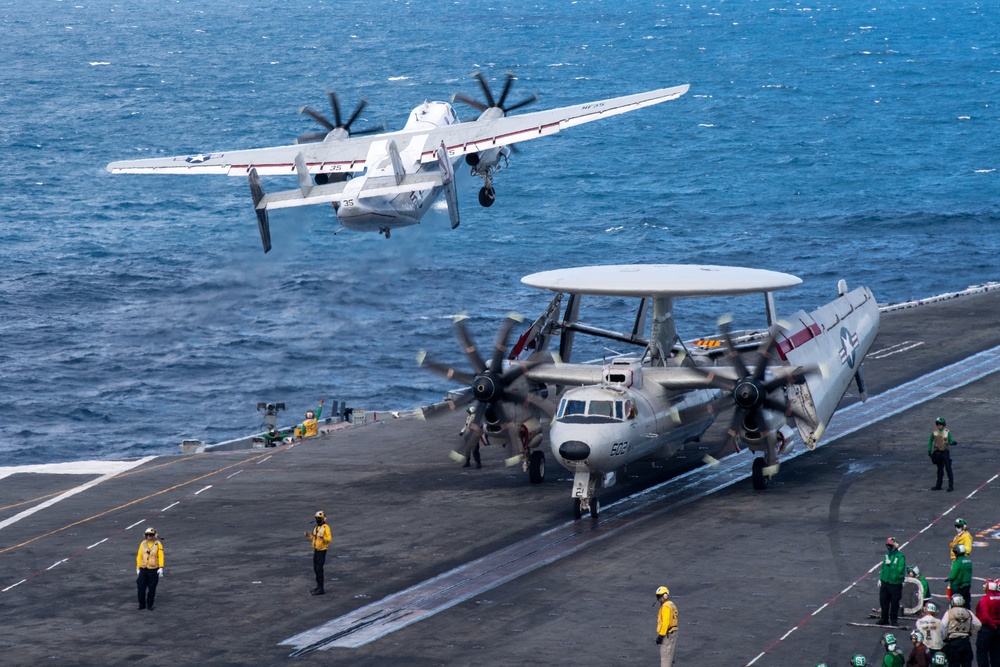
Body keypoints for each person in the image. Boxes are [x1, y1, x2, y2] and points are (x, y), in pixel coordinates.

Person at [940, 593, 980, 667]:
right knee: (967, 663)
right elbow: (978, 624)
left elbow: (942, 626)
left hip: (953, 642)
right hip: (965, 641)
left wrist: (945, 637)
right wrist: (971, 632)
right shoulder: (968, 612)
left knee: (953, 663)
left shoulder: (949, 612)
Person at [135, 526, 164, 611]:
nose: (149, 537)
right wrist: (138, 567)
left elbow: (161, 556)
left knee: (152, 588)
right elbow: (139, 556)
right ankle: (141, 604)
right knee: (141, 587)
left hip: (154, 569)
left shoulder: (158, 544)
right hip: (144, 568)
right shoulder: (143, 543)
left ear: (154, 535)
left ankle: (150, 605)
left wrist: (161, 567)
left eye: (151, 535)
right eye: (147, 535)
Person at [304, 510, 331, 596]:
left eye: (319, 518)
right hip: (316, 550)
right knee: (316, 569)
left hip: (322, 551)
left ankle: (321, 588)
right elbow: (315, 539)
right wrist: (309, 536)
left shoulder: (326, 528)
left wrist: (323, 537)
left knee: (319, 569)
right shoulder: (316, 528)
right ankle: (318, 586)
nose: (317, 520)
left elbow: (329, 539)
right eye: (317, 518)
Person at [881, 536, 907, 626]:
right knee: (883, 601)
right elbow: (883, 568)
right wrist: (880, 579)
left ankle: (894, 620)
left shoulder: (900, 557)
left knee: (894, 603)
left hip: (895, 583)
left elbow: (900, 570)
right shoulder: (886, 556)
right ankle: (884, 618)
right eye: (887, 545)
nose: (889, 547)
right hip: (885, 582)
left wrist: (891, 565)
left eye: (890, 545)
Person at [974, 580, 1000, 667]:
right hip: (998, 628)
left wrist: (992, 625)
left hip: (987, 628)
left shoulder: (985, 599)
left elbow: (985, 616)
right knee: (996, 653)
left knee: (982, 652)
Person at [928, 417, 955, 491]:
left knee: (948, 468)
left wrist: (953, 443)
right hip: (937, 452)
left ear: (943, 424)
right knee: (939, 469)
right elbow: (930, 441)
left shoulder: (947, 432)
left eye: (940, 424)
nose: (939, 425)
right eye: (938, 424)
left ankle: (951, 486)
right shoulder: (934, 432)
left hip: (945, 452)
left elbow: (950, 441)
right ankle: (938, 485)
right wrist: (929, 450)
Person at [654, 585, 678, 667]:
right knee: (670, 660)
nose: (658, 599)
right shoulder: (671, 604)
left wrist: (661, 635)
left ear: (665, 595)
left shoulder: (666, 607)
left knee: (666, 660)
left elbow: (665, 623)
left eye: (659, 596)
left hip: (667, 635)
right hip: (672, 634)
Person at [948, 544, 973, 609]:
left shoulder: (957, 562)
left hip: (957, 586)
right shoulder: (968, 561)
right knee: (966, 602)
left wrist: (949, 579)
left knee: (955, 602)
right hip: (967, 585)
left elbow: (953, 576)